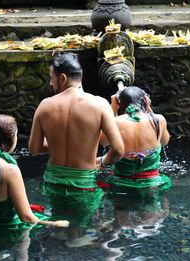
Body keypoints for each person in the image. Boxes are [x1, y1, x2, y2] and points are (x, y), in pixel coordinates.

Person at [28, 53, 124, 247]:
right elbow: (118, 149)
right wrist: (102, 162)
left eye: (52, 77)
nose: (50, 82)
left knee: (60, 221)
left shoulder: (45, 106)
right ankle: (74, 245)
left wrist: (57, 144)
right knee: (80, 225)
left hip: (53, 181)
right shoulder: (99, 104)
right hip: (83, 182)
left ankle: (62, 243)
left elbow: (34, 148)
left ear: (62, 78)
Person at [0, 115, 69, 261]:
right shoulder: (10, 169)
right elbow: (26, 217)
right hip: (5, 227)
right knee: (25, 238)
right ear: (12, 138)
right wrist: (54, 223)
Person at [98, 86, 171, 190]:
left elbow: (103, 142)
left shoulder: (115, 122)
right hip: (152, 183)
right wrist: (149, 109)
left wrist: (113, 108)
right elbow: (164, 142)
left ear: (119, 103)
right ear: (145, 100)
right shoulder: (158, 120)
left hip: (121, 183)